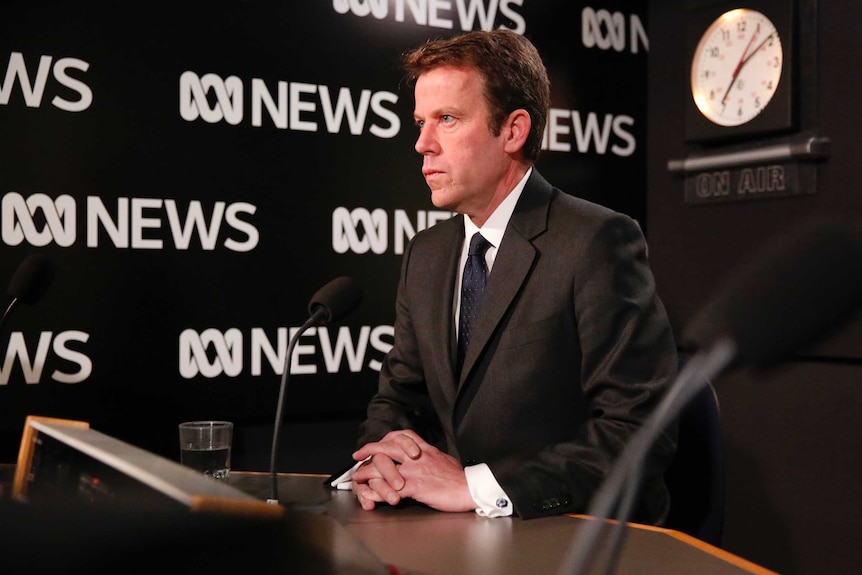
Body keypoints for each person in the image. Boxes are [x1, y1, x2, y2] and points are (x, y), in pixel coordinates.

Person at [350, 29, 678, 523]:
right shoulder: (427, 253)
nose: (422, 144)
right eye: (420, 122)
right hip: (455, 533)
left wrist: (475, 487)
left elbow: (638, 429)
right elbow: (399, 397)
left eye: (447, 120)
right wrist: (382, 458)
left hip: (574, 532)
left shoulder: (596, 241)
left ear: (513, 131)